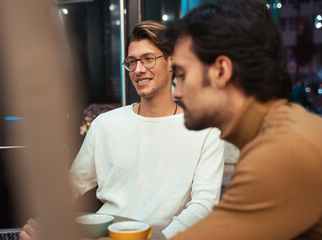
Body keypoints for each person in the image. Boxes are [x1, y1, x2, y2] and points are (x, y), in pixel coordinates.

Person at [20, 20, 225, 240]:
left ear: (171, 62)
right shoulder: (105, 124)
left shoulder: (206, 132)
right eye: (132, 62)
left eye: (148, 59)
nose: (138, 70)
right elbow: (75, 182)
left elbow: (204, 205)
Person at [161, 0, 322, 239]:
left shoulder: (282, 150)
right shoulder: (273, 130)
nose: (177, 92)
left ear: (221, 71)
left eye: (182, 75)